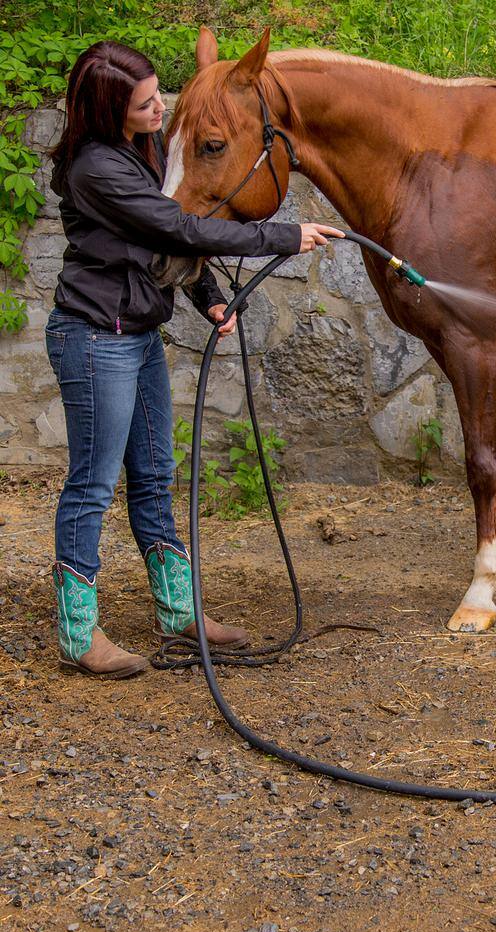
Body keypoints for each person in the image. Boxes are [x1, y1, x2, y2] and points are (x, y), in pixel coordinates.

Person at [46, 40, 342, 680]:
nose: (161, 106)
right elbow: (177, 230)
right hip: (94, 338)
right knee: (92, 486)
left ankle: (178, 610)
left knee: (154, 473)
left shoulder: (143, 147)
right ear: (108, 110)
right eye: (146, 101)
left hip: (135, 332)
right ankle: (76, 632)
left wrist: (208, 296)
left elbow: (166, 242)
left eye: (157, 92)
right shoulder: (96, 168)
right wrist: (282, 238)